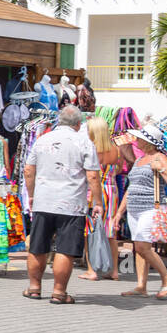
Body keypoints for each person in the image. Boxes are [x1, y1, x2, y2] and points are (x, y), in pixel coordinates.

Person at [22, 105, 103, 305]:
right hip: (72, 204)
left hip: (43, 201)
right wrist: (98, 202)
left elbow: (28, 171)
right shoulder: (84, 142)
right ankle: (58, 292)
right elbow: (92, 175)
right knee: (65, 249)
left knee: (37, 246)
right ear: (78, 124)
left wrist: (31, 196)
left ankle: (34, 288)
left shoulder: (41, 140)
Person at [117, 124, 167, 299]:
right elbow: (132, 187)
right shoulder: (139, 160)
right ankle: (141, 286)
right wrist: (120, 212)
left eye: (139, 138)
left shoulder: (159, 158)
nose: (136, 140)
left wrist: (162, 169)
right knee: (140, 247)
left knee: (143, 247)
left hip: (151, 207)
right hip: (135, 210)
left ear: (148, 142)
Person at [81, 116, 123, 281]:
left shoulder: (92, 149)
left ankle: (92, 269)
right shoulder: (116, 149)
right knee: (110, 231)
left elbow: (90, 174)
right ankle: (114, 271)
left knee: (90, 229)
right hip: (111, 190)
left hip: (95, 191)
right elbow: (119, 169)